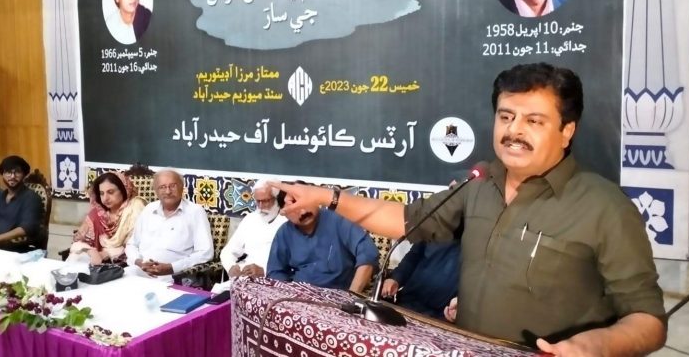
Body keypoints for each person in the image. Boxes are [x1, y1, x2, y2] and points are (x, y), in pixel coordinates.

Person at [271, 63, 666, 355]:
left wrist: (597, 345)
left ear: (567, 131)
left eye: (534, 121)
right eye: (506, 116)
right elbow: (407, 221)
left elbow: (648, 321)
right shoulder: (478, 183)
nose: (514, 130)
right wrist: (326, 198)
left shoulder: (606, 207)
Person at [266, 182, 379, 294]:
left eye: (304, 203)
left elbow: (368, 254)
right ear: (284, 212)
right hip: (299, 296)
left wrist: (352, 295)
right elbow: (275, 272)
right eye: (295, 208)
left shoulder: (339, 220)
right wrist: (288, 295)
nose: (303, 212)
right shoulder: (284, 233)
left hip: (338, 296)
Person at [125, 169, 213, 281]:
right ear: (156, 190)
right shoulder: (149, 209)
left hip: (173, 276)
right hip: (141, 270)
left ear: (182, 187)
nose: (168, 191)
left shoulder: (195, 212)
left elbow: (205, 252)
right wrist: (139, 262)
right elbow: (132, 244)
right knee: (121, 278)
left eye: (173, 186)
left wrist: (172, 267)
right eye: (162, 187)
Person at [68, 172, 145, 265]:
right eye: (101, 193)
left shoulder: (134, 208)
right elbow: (79, 241)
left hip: (127, 262)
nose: (105, 198)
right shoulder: (96, 214)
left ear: (124, 190)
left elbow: (136, 245)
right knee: (77, 257)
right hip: (97, 261)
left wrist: (107, 253)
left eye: (110, 192)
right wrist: (90, 251)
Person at [220, 180, 287, 279]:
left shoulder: (287, 222)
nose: (260, 206)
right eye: (257, 201)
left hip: (273, 279)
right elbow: (228, 251)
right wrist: (231, 267)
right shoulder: (250, 219)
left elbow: (292, 264)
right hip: (245, 277)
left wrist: (265, 270)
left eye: (265, 201)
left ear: (276, 199)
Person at [381, 240, 461, 319]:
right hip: (407, 303)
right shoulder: (430, 231)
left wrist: (461, 309)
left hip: (443, 316)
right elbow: (414, 256)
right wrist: (395, 278)